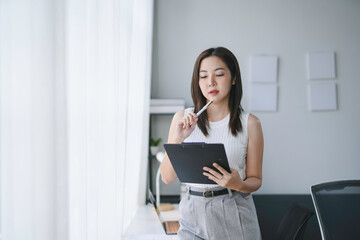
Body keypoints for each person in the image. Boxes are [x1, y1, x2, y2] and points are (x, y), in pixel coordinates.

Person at [160, 47, 263, 240]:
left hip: (233, 209)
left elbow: (256, 179)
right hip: (192, 211)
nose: (211, 82)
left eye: (219, 74)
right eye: (203, 76)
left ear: (233, 79)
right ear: (197, 82)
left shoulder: (250, 123)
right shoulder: (182, 118)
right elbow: (166, 177)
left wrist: (238, 184)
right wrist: (177, 139)